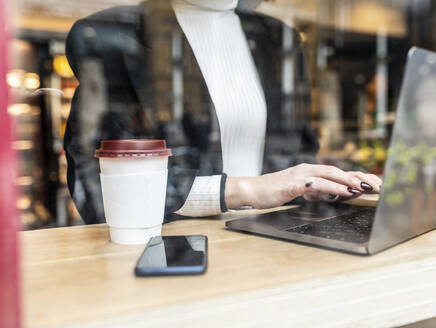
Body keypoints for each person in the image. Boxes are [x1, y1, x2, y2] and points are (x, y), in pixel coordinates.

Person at [64, 0, 382, 224]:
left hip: (275, 241)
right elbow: (99, 191)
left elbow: (294, 153)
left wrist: (320, 186)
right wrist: (246, 190)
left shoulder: (279, 38)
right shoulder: (112, 34)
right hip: (174, 252)